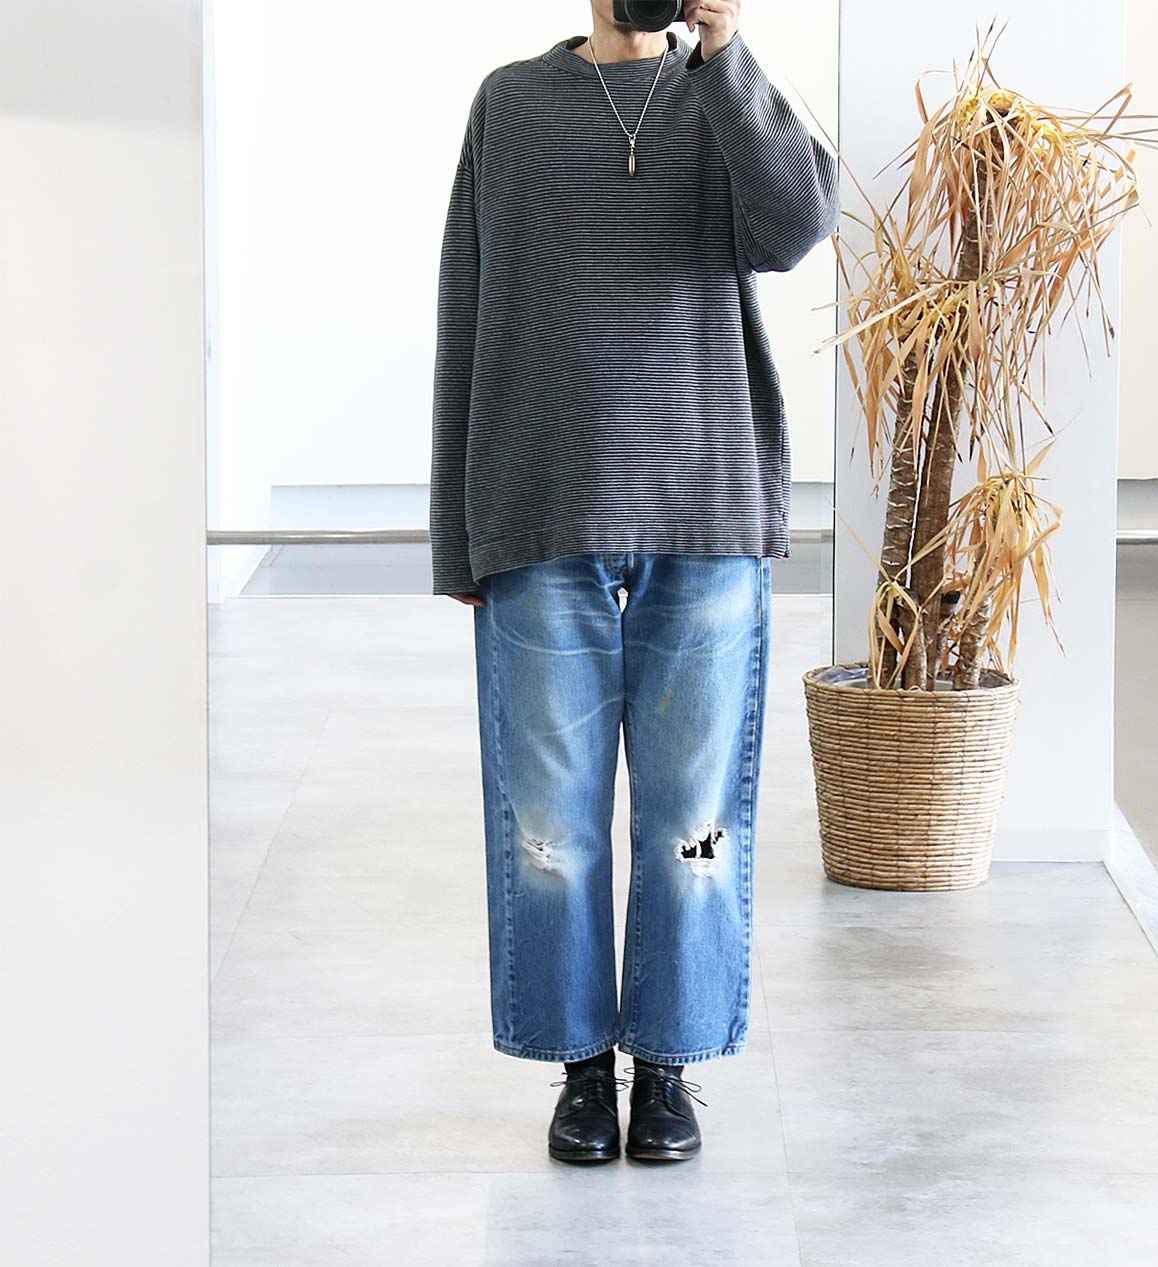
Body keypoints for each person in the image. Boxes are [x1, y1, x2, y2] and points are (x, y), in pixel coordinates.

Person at [429, 0, 839, 1164]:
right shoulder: (512, 105)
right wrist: (458, 534)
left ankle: (666, 1066)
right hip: (541, 506)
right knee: (549, 824)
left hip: (703, 505)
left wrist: (726, 54)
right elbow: (466, 304)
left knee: (690, 820)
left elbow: (796, 226)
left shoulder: (720, 92)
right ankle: (579, 1068)